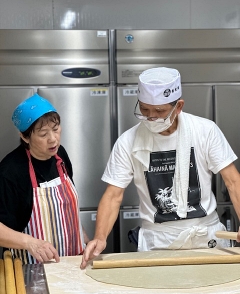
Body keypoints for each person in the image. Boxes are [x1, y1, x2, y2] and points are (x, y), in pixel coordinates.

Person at [80, 67, 240, 269]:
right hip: (157, 242)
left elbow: (233, 181)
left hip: (206, 238)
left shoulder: (205, 131)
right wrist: (100, 237)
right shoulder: (128, 142)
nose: (151, 118)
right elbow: (113, 194)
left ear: (178, 106)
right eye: (145, 110)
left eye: (159, 111)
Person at [0, 93, 89, 264]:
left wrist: (83, 235)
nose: (53, 139)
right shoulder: (10, 172)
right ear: (25, 137)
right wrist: (30, 243)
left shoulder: (60, 156)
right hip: (33, 270)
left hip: (72, 263)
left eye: (55, 129)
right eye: (42, 134)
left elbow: (67, 207)